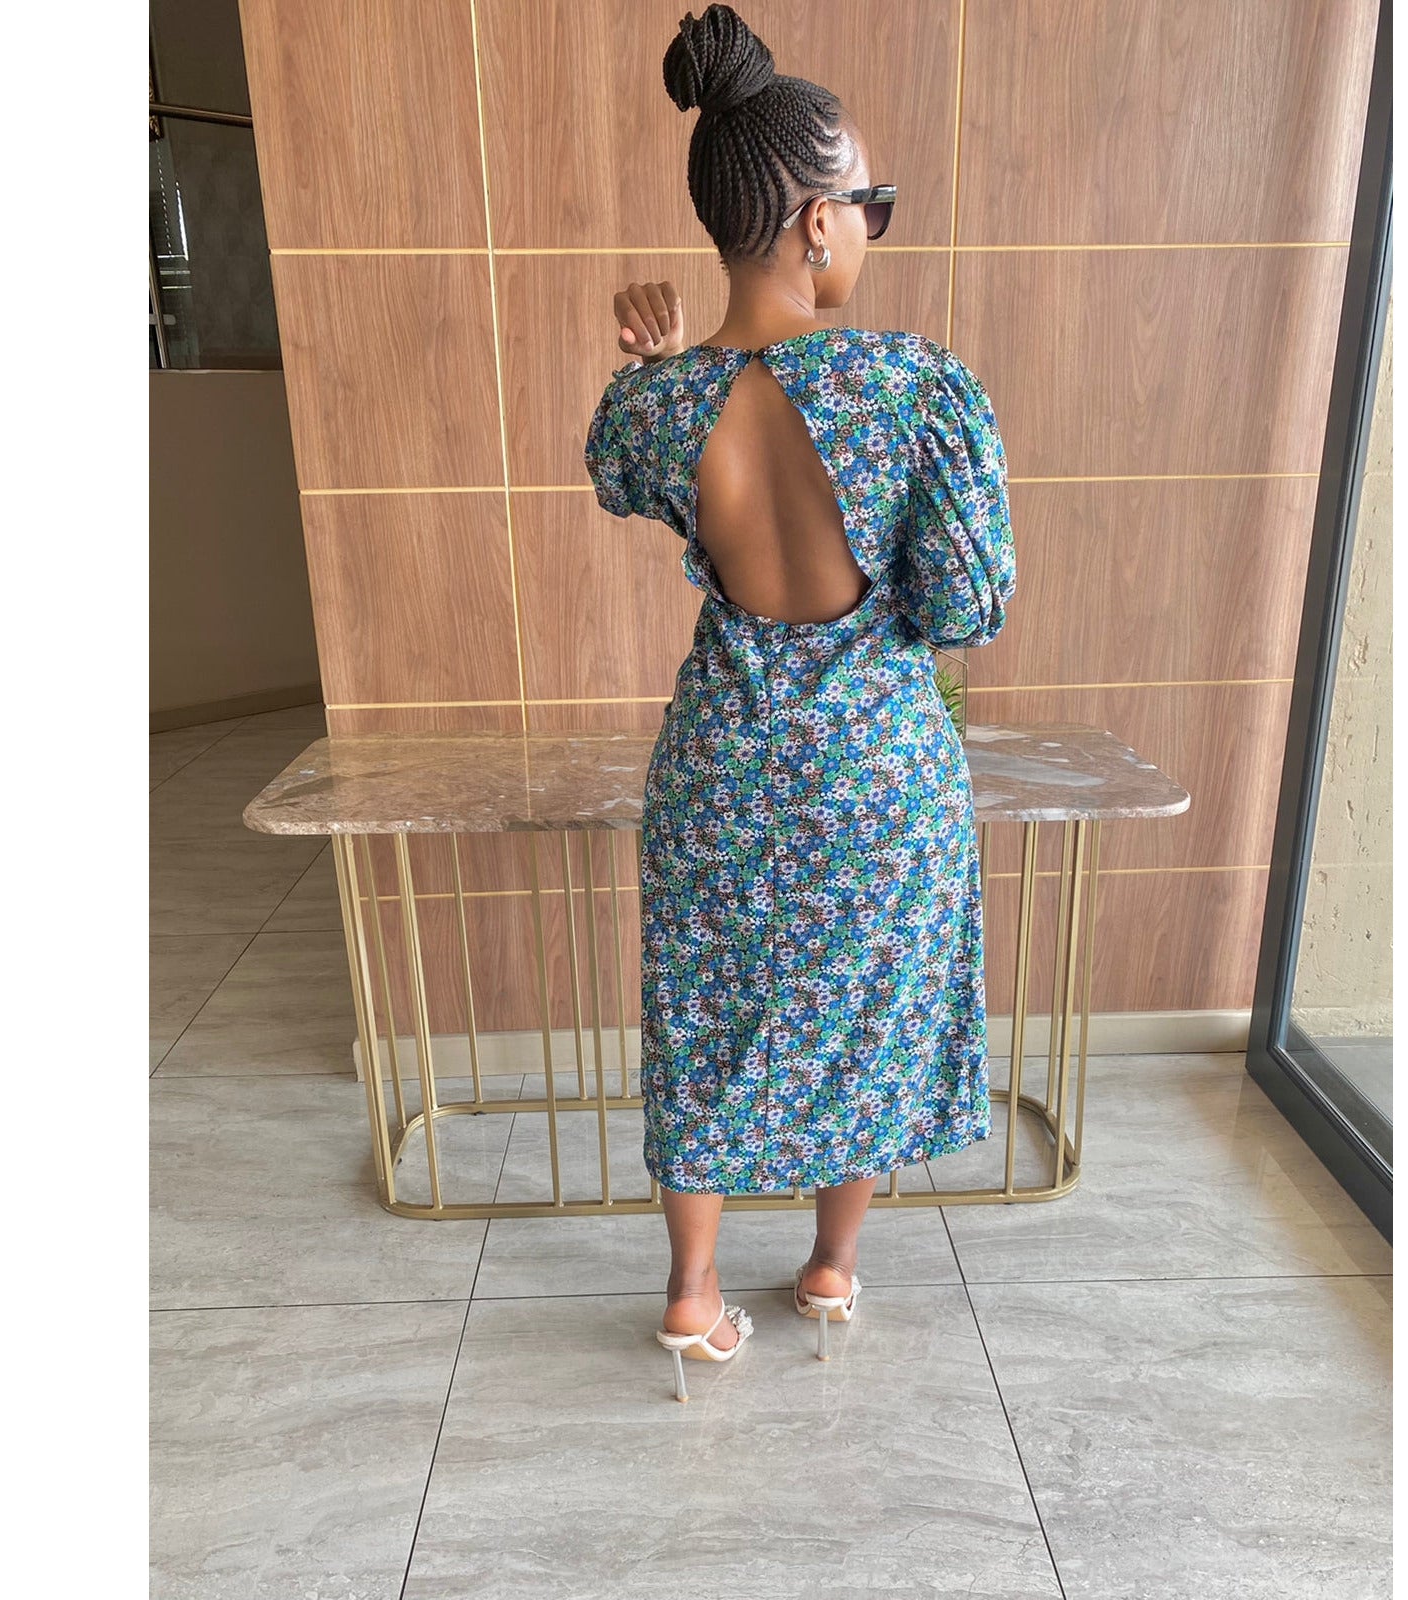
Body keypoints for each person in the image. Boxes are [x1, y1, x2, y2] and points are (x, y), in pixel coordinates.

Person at [583, 3, 1016, 1401]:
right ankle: (831, 1267)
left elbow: (617, 469)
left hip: (721, 761)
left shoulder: (656, 407)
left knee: (704, 1011)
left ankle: (692, 1293)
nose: (872, 230)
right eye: (870, 207)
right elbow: (969, 606)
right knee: (871, 1010)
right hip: (879, 769)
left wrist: (651, 366)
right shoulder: (915, 386)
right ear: (818, 224)